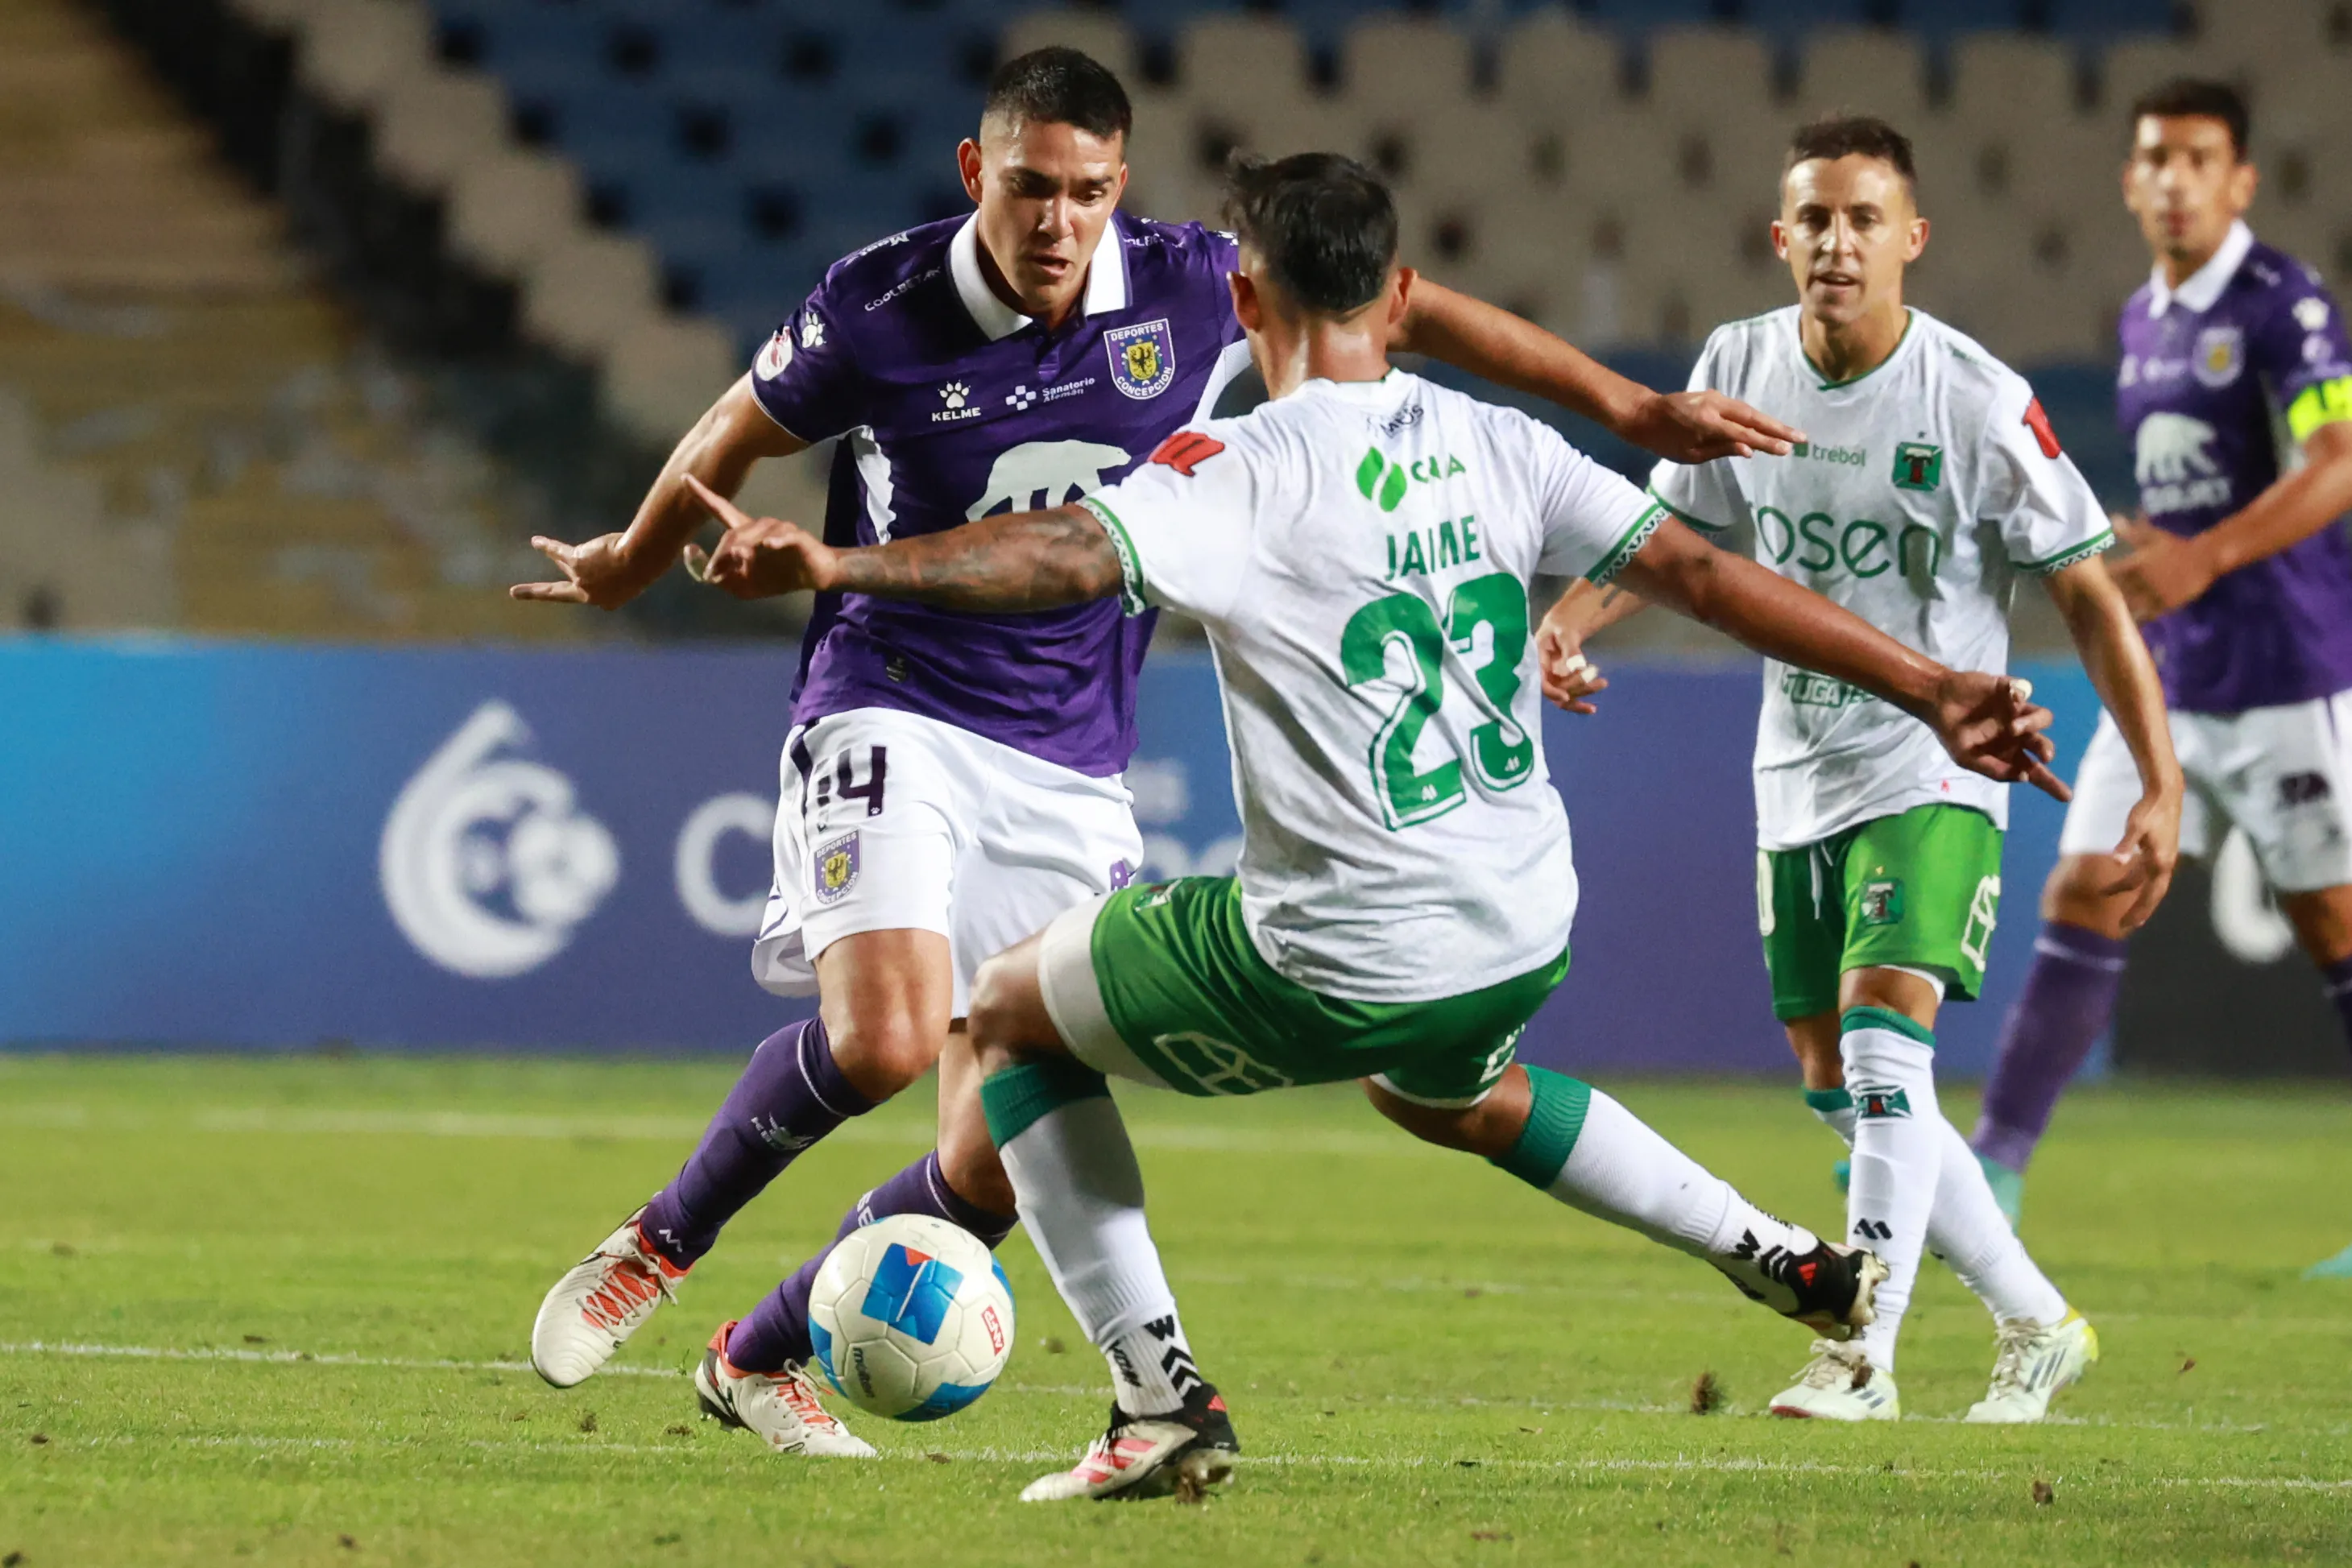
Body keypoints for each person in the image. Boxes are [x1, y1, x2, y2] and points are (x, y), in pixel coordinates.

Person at [689, 150, 2072, 1500]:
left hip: (1336, 951)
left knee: (1004, 1014)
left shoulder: (1237, 463)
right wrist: (1935, 685)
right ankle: (1779, 1253)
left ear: (1244, 299)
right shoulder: (1503, 442)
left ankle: (1159, 1399)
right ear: (1400, 295)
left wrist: (841, 559)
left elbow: (1061, 551)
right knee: (1442, 1090)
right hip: (1521, 927)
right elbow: (1705, 575)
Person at [507, 46, 1803, 1454]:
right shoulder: (879, 304)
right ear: (976, 172)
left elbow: (1406, 304)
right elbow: (732, 428)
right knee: (886, 1034)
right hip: (891, 691)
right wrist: (632, 561)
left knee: (990, 1160)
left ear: (1121, 184)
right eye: (1030, 187)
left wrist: (1631, 410)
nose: (1058, 221)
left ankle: (757, 1356)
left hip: (1072, 752)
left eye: (1088, 192)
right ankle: (658, 1242)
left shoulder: (1190, 283)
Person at [1534, 115, 2181, 1421]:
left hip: (1939, 762)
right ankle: (2037, 1320)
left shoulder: (1974, 398)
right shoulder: (1738, 365)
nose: (1838, 243)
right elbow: (1667, 539)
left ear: (1912, 239)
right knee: (1839, 1082)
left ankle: (1861, 1349)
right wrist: (1569, 620)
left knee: (1887, 1050)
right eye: (1817, 220)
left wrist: (2160, 777)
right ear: (1782, 236)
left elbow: (2089, 590)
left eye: (1865, 220)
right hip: (1797, 767)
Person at [1967, 81, 2352, 1277]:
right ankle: (1990, 1172)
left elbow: (2340, 459)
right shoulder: (2144, 317)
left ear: (2241, 179)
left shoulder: (2285, 305)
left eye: (2199, 158)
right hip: (2171, 671)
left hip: (2289, 669)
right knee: (2085, 888)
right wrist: (2157, 552)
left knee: (2333, 920)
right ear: (2130, 181)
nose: (2175, 180)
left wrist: (2206, 556)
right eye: (2156, 158)